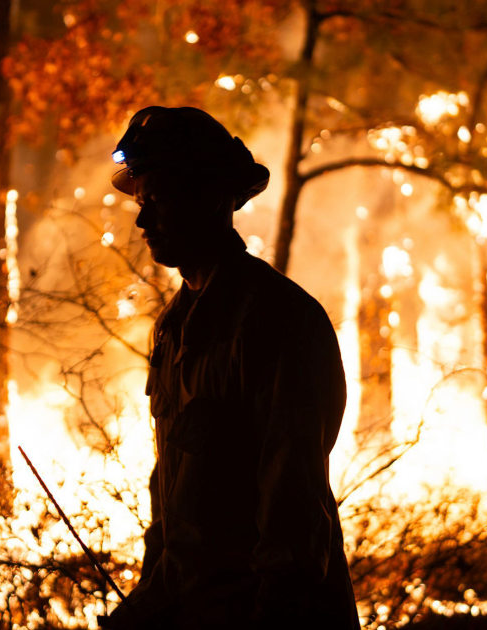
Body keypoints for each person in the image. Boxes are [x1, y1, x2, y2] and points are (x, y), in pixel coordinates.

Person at [101, 106, 359, 630]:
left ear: (212, 197)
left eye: (159, 201)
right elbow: (173, 508)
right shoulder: (174, 329)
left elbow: (292, 512)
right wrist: (146, 606)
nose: (143, 220)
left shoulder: (276, 320)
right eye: (141, 203)